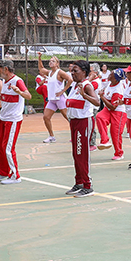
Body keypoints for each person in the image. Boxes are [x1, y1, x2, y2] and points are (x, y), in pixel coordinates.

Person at [0, 60, 31, 182]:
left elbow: (28, 95)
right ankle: (3, 172)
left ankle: (15, 175)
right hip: (4, 117)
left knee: (8, 148)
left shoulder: (17, 81)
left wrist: (19, 92)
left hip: (13, 119)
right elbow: (5, 96)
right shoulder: (4, 81)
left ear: (6, 69)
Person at [65, 61, 102, 196]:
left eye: (76, 70)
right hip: (74, 122)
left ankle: (88, 186)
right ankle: (79, 182)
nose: (72, 73)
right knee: (76, 154)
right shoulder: (75, 85)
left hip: (83, 122)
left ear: (84, 72)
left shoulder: (87, 86)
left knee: (82, 154)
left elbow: (97, 102)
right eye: (72, 71)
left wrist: (84, 95)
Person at [38, 53, 71, 142]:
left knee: (68, 117)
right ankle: (51, 136)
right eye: (50, 61)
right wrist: (39, 58)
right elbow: (41, 69)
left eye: (53, 61)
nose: (51, 62)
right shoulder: (49, 73)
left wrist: (63, 91)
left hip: (60, 99)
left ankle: (76, 133)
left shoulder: (60, 72)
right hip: (52, 99)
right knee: (46, 117)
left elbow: (70, 80)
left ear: (57, 64)